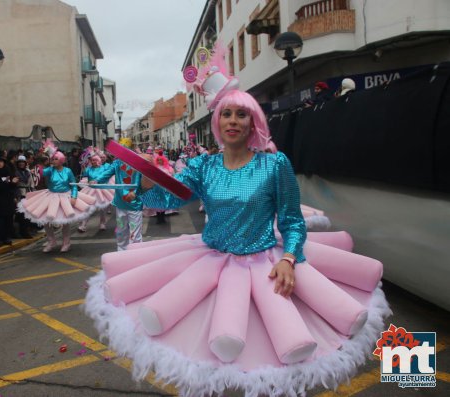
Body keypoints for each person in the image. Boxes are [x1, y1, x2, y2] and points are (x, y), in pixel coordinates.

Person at [84, 71, 389, 396]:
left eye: (241, 114)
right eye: (226, 114)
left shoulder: (275, 165)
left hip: (267, 263)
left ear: (253, 121)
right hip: (210, 260)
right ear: (217, 123)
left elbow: (292, 221)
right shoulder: (204, 167)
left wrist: (289, 258)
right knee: (210, 353)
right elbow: (172, 198)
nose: (233, 121)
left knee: (280, 348)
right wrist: (146, 182)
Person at [17, 143, 96, 253]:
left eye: (55, 159)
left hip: (65, 196)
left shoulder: (67, 171)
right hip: (51, 196)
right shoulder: (50, 169)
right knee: (46, 220)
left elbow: (73, 184)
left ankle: (66, 242)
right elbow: (39, 171)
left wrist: (74, 196)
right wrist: (42, 155)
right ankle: (51, 241)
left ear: (61, 160)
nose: (52, 161)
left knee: (65, 221)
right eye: (52, 159)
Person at [92, 138, 145, 251]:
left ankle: (136, 255)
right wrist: (96, 180)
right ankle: (121, 254)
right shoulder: (117, 163)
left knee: (135, 233)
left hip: (134, 203)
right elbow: (107, 173)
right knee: (121, 231)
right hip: (120, 203)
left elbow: (142, 181)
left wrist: (134, 193)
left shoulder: (138, 163)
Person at [77, 148, 113, 233]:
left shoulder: (104, 168)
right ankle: (83, 225)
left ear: (98, 161)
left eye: (94, 160)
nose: (92, 162)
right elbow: (85, 177)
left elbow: (106, 177)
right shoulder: (88, 169)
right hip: (91, 190)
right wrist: (86, 181)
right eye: (91, 160)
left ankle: (102, 223)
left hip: (102, 189)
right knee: (88, 207)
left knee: (102, 208)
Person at [0, 156, 18, 247]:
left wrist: (12, 183)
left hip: (8, 200)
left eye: (1, 161)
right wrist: (7, 181)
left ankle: (7, 237)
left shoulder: (9, 172)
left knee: (8, 220)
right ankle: (0, 239)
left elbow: (13, 185)